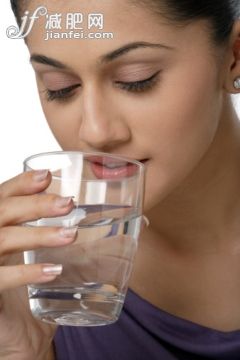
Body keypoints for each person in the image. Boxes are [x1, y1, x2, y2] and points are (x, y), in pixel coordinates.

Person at [2, 0, 240, 358]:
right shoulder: (38, 279)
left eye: (136, 79)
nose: (95, 132)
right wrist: (25, 351)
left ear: (234, 56)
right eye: (61, 87)